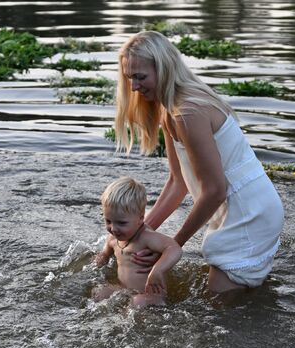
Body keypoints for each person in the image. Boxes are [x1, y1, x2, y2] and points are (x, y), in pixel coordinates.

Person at [114, 31, 284, 293]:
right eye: (129, 78)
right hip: (246, 206)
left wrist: (172, 246)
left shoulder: (188, 112)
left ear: (163, 68)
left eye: (140, 77)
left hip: (249, 213)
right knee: (233, 298)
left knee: (216, 309)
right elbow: (177, 183)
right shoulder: (168, 108)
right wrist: (138, 233)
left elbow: (215, 190)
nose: (134, 87)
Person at [94, 176, 182, 307]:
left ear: (140, 218)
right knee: (98, 292)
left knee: (137, 302)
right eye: (108, 221)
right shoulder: (112, 239)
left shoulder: (146, 237)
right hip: (124, 290)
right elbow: (104, 255)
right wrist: (100, 259)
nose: (113, 228)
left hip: (150, 295)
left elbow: (175, 249)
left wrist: (157, 270)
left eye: (121, 223)